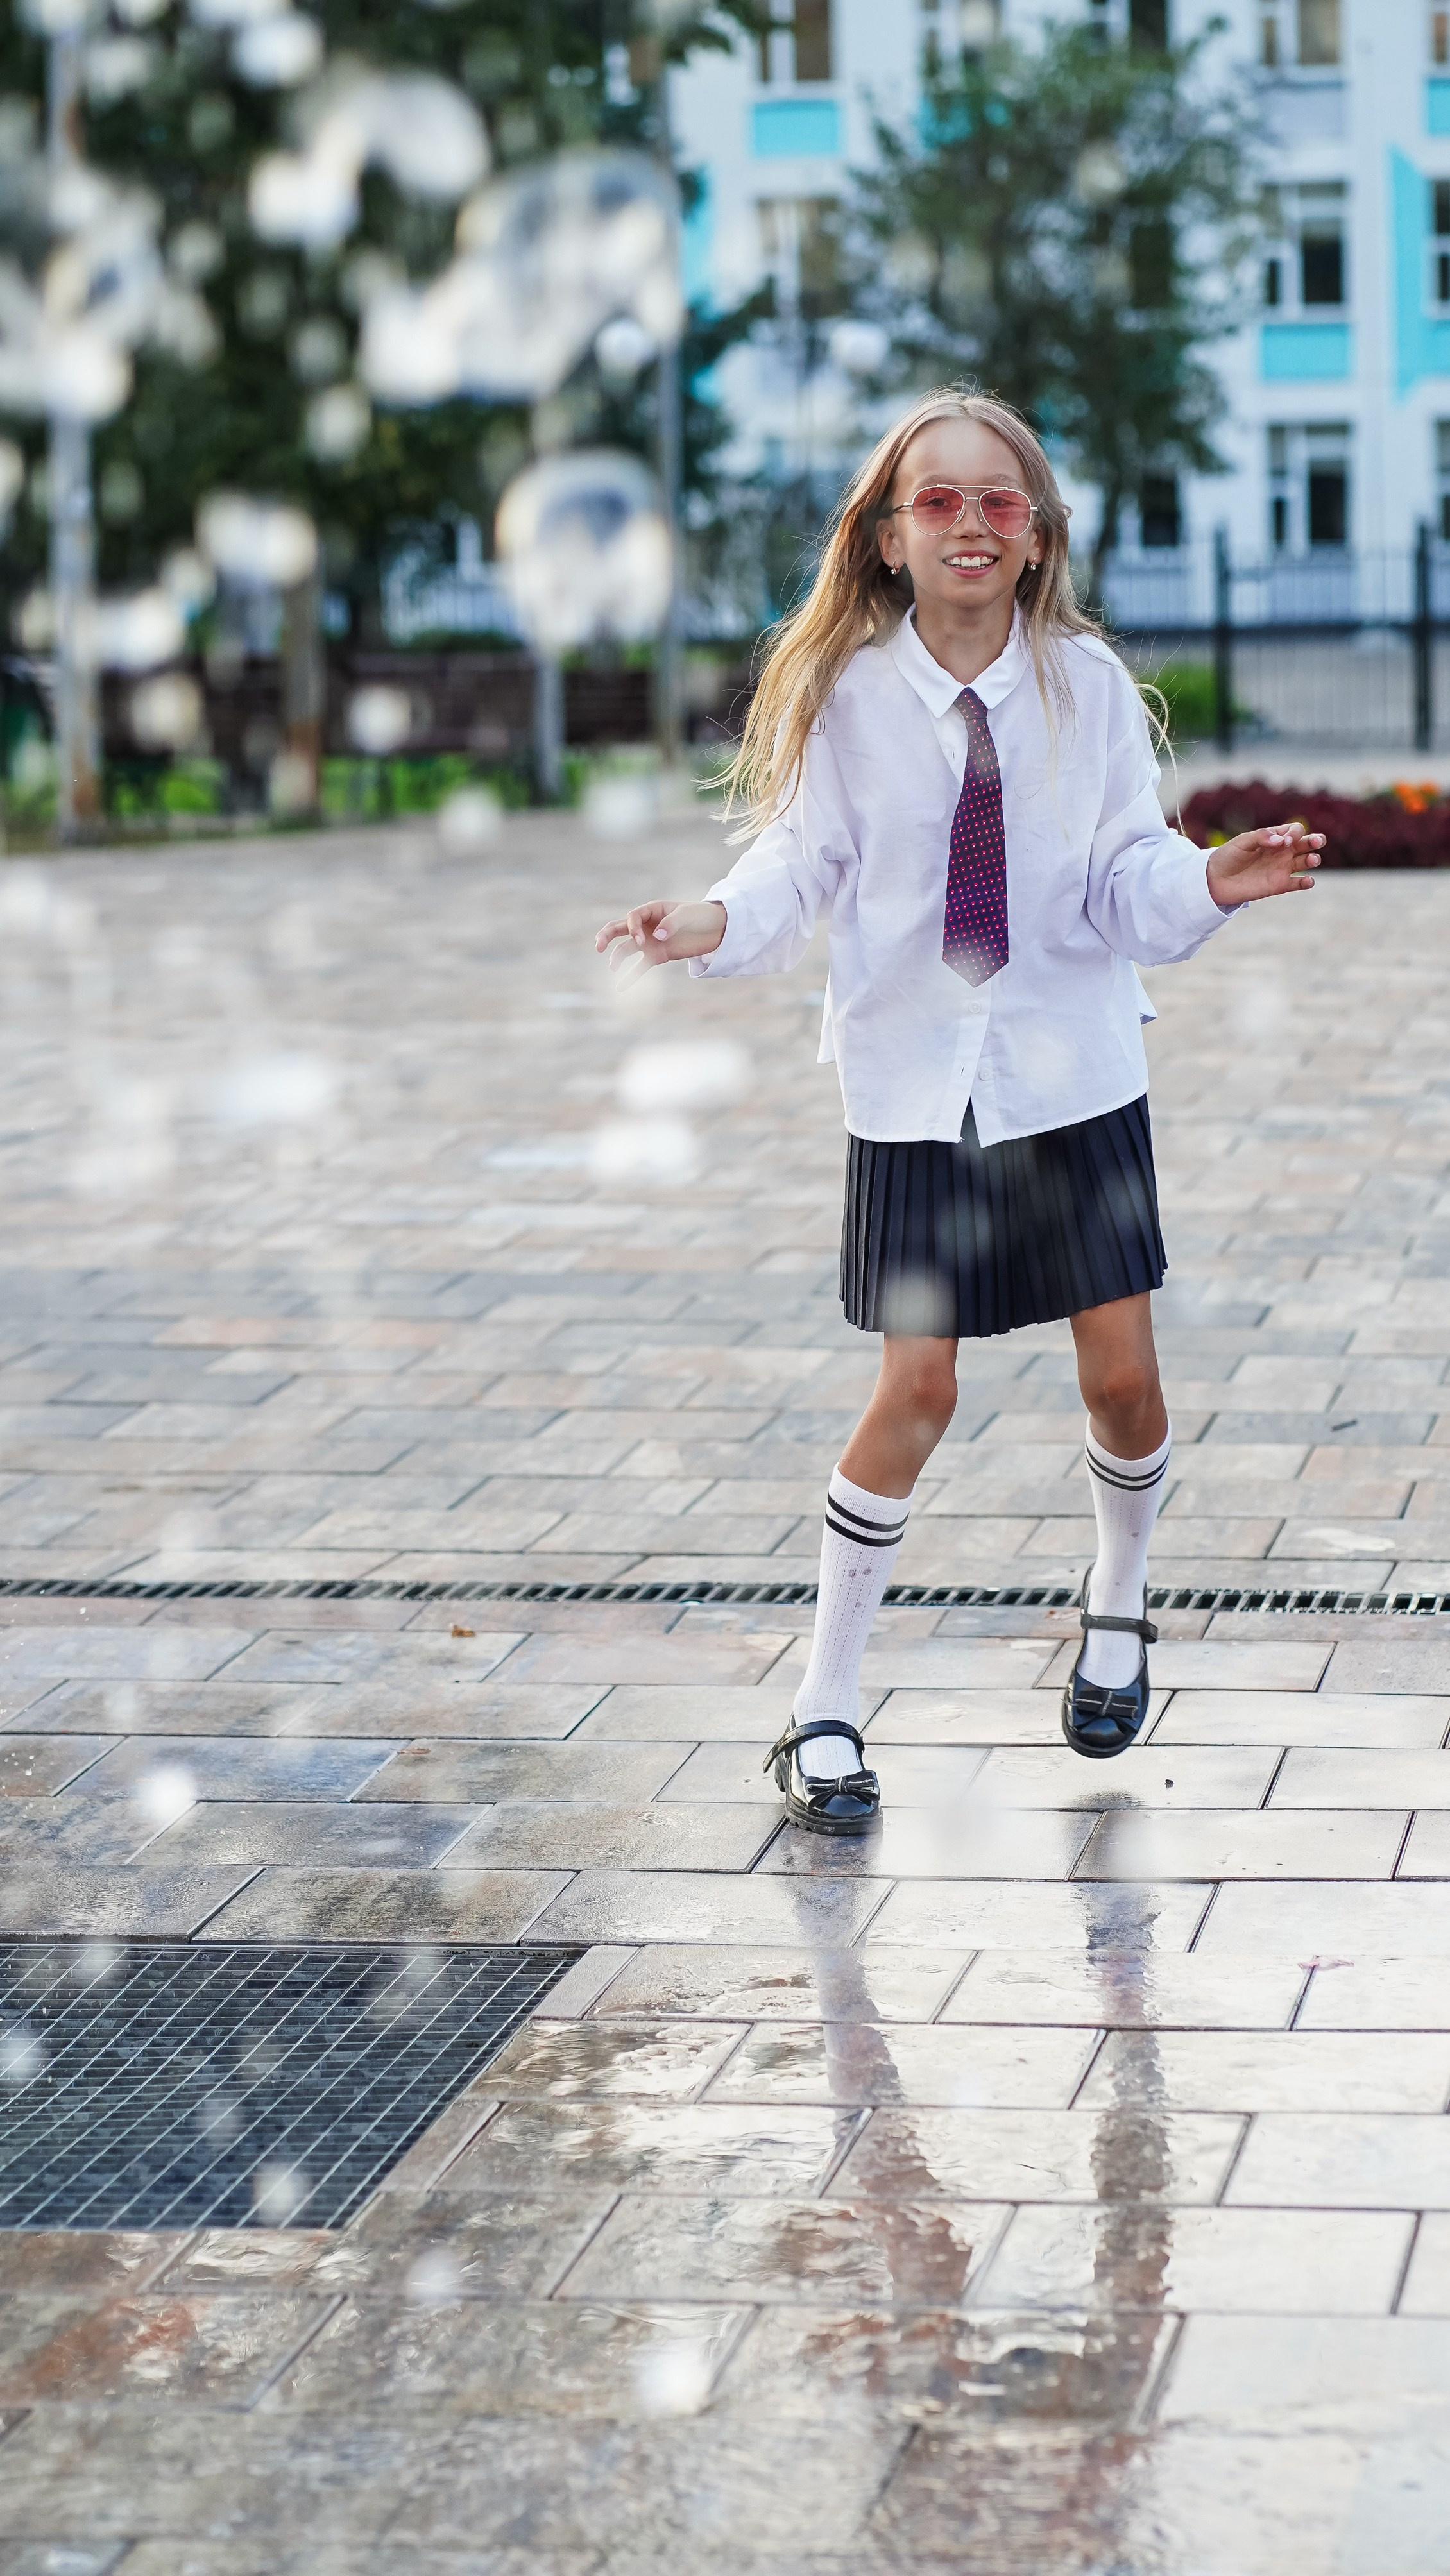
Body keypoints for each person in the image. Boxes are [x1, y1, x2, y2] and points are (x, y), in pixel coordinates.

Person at [595, 387, 1322, 1835]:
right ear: (882, 538)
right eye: (939, 501)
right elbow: (796, 867)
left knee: (1120, 1383)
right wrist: (706, 922)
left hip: (1068, 1076)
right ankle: (822, 1708)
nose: (972, 524)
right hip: (917, 1088)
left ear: (1039, 536)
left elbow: (1127, 875)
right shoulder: (847, 700)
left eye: (1001, 502)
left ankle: (1114, 1601)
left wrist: (1205, 885)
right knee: (912, 1390)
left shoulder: (1088, 691)